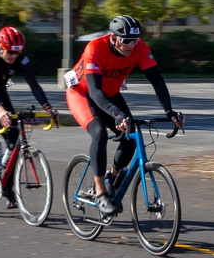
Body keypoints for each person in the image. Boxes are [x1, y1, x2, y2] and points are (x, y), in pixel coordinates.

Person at [65, 15, 184, 215]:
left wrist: (169, 110)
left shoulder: (139, 48)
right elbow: (95, 91)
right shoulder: (95, 48)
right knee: (99, 132)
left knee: (131, 137)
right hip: (83, 93)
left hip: (110, 94)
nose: (131, 45)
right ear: (113, 37)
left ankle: (111, 177)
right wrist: (116, 114)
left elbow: (157, 80)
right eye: (126, 40)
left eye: (134, 40)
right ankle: (101, 192)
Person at [0, 26, 58, 208]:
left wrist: (48, 107)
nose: (14, 56)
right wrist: (0, 111)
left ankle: (6, 184)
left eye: (18, 52)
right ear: (1, 47)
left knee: (15, 137)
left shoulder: (21, 59)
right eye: (10, 52)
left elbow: (34, 85)